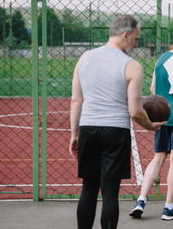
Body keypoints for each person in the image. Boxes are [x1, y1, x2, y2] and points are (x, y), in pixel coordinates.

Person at [69, 14, 166, 229]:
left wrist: (75, 134)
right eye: (136, 39)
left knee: (89, 188)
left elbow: (76, 101)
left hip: (88, 127)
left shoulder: (84, 58)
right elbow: (135, 110)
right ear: (125, 35)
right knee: (110, 190)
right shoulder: (132, 66)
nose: (136, 43)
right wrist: (150, 125)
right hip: (115, 131)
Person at [129, 23, 173, 220]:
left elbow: (153, 88)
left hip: (162, 117)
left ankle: (141, 201)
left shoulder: (162, 58)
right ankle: (169, 207)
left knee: (158, 158)